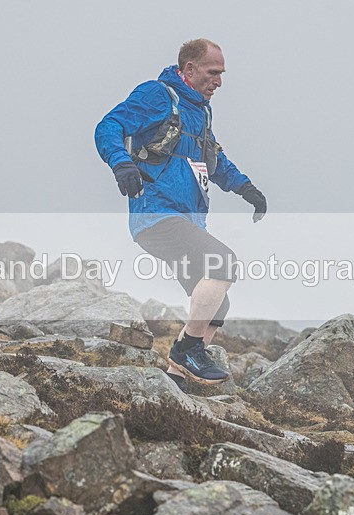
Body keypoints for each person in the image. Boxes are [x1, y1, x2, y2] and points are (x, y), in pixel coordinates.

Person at [95, 38, 267, 389]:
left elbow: (213, 160)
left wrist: (245, 187)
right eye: (212, 72)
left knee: (217, 307)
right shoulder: (158, 95)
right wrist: (121, 163)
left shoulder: (199, 111)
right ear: (189, 69)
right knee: (224, 263)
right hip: (156, 215)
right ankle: (188, 348)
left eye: (222, 74)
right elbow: (108, 126)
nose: (219, 81)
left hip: (188, 220)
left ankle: (177, 379)